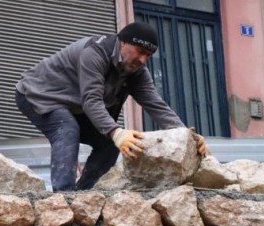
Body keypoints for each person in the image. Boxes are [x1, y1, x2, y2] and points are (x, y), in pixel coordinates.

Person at [15, 22, 208, 191]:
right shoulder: (95, 52)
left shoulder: (137, 72)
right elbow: (91, 100)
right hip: (37, 94)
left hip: (72, 103)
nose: (143, 60)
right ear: (123, 42)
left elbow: (156, 104)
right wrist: (116, 132)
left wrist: (187, 135)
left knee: (108, 143)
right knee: (66, 127)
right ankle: (63, 197)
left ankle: (82, 195)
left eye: (148, 56)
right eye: (140, 52)